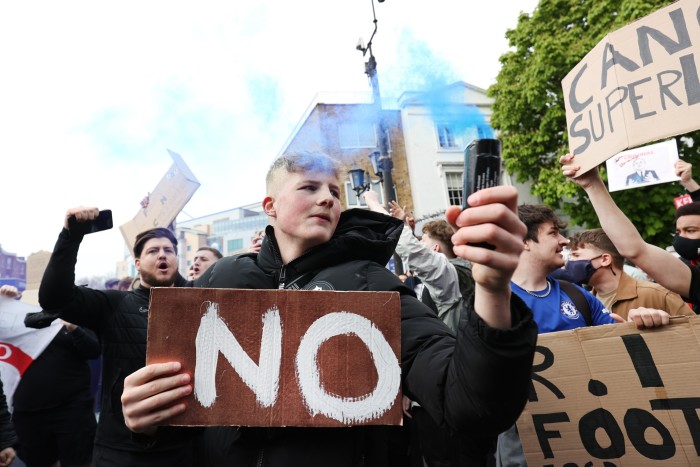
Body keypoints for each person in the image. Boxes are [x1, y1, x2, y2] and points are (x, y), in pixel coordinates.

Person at [120, 151, 538, 466]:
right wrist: (146, 423)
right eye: (309, 188)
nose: (327, 200)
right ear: (271, 206)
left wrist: (492, 289)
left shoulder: (369, 284)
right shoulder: (219, 279)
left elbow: (468, 402)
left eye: (335, 192)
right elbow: (180, 402)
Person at [496, 204, 671, 467]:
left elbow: (617, 345)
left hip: (591, 433)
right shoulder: (496, 302)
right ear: (523, 242)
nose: (564, 241)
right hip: (527, 438)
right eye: (553, 233)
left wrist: (643, 322)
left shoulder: (576, 294)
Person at [34, 215, 194, 467]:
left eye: (169, 250)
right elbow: (54, 298)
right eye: (153, 250)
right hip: (122, 450)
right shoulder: (114, 304)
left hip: (188, 448)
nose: (162, 255)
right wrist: (71, 236)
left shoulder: (199, 301)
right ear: (138, 263)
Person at [562, 153, 700, 314]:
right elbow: (635, 249)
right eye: (678, 231)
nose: (682, 237)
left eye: (691, 231)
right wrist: (592, 184)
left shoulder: (657, 294)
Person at [363, 191, 473, 332]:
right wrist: (408, 228)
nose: (419, 243)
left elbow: (412, 250)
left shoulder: (450, 276)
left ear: (435, 249)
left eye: (423, 241)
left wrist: (373, 203)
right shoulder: (462, 271)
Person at [567, 228, 693, 320]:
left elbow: (693, 331)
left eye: (576, 256)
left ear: (605, 260)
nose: (569, 262)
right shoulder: (582, 302)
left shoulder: (658, 294)